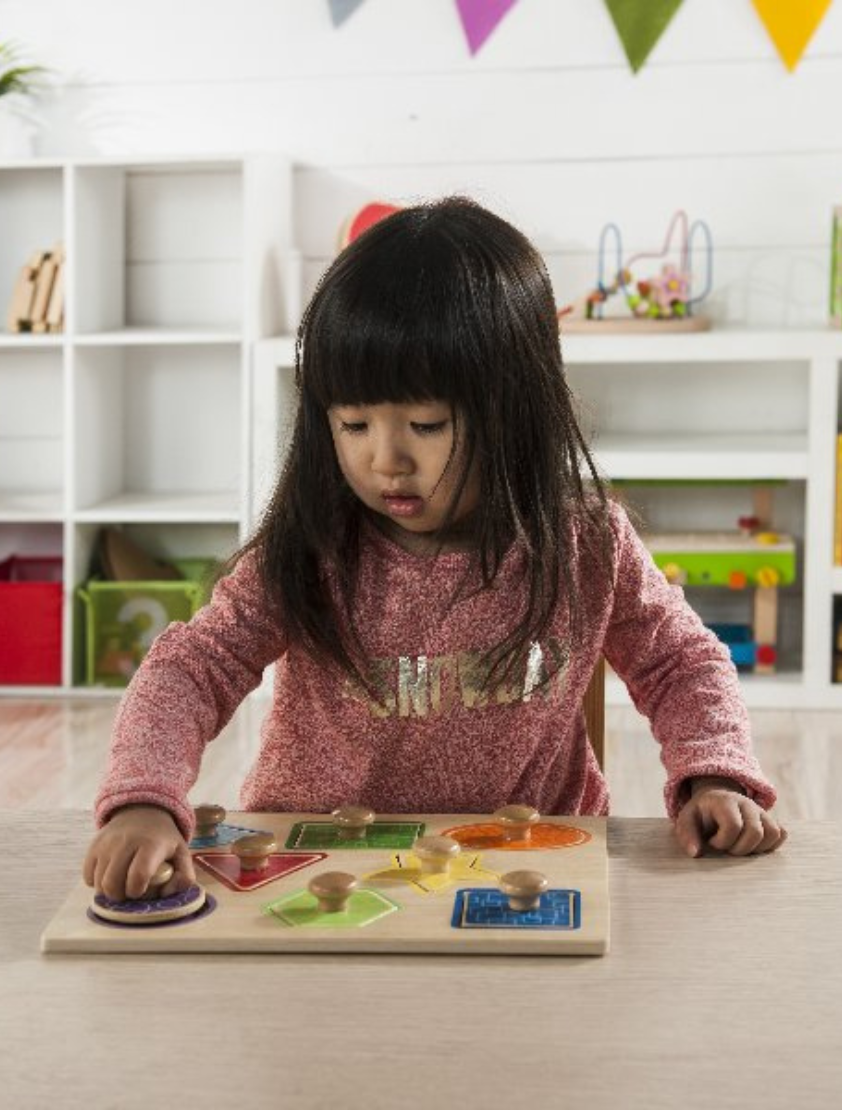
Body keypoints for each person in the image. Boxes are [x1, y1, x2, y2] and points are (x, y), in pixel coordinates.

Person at [84, 197, 786, 901]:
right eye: (353, 423)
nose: (385, 459)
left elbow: (681, 661)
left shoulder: (586, 542)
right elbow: (190, 669)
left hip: (528, 864)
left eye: (425, 423)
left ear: (516, 408)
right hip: (320, 865)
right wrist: (144, 800)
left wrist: (714, 773)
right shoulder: (312, 546)